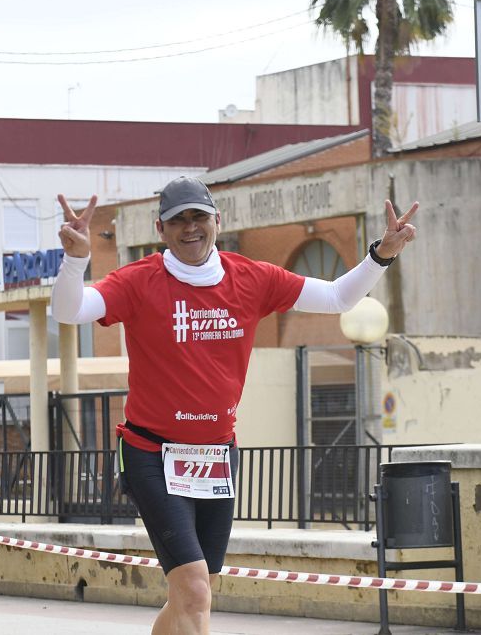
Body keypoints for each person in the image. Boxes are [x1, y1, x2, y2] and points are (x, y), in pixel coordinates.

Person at [51, 177, 417, 635]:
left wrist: (381, 254)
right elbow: (69, 311)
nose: (190, 227)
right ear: (160, 229)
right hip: (151, 454)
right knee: (195, 592)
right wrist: (76, 260)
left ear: (217, 222)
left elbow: (338, 297)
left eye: (198, 217)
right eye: (177, 220)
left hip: (216, 456)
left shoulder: (252, 278)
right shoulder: (139, 280)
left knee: (193, 593)